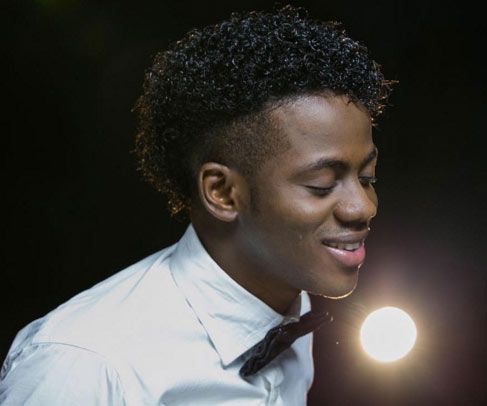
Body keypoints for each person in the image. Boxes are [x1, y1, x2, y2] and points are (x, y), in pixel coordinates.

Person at [0, 5, 394, 405]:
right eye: (321, 184)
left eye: (367, 178)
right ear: (221, 192)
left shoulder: (291, 299)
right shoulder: (85, 367)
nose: (363, 207)